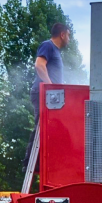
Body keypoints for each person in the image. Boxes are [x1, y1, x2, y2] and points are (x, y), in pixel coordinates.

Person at [23, 23, 71, 172]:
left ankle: (43, 161)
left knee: (52, 128)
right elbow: (39, 65)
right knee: (40, 125)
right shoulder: (48, 45)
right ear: (62, 34)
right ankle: (29, 163)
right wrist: (50, 86)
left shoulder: (56, 51)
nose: (69, 38)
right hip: (43, 93)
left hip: (51, 96)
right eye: (68, 35)